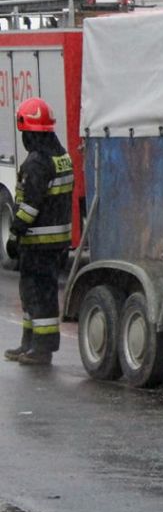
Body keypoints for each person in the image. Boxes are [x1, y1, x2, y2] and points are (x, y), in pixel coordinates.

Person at [2, 98, 73, 366]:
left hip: (39, 243)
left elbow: (29, 209)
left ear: (29, 132)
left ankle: (41, 349)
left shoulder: (37, 164)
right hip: (56, 242)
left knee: (39, 294)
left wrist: (14, 234)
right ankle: (28, 343)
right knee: (32, 292)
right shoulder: (61, 156)